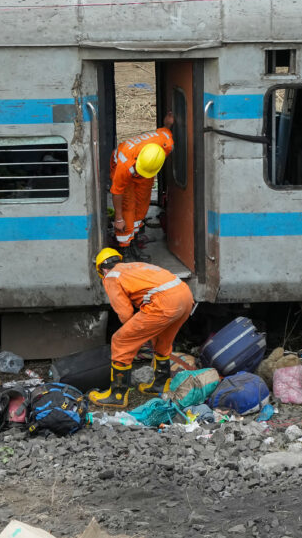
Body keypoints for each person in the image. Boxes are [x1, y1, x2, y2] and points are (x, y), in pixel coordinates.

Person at [89, 248, 194, 408]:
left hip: (164, 303)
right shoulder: (133, 266)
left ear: (102, 269)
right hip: (185, 296)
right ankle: (160, 385)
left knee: (121, 341)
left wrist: (135, 337)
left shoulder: (111, 276)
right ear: (118, 260)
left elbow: (125, 314)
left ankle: (117, 395)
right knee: (161, 341)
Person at [109, 112, 175, 261]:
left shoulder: (165, 144)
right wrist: (118, 219)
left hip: (145, 172)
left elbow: (164, 130)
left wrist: (168, 124)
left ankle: (134, 242)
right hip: (125, 172)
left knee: (142, 205)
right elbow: (116, 192)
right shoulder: (124, 162)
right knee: (128, 208)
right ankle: (124, 249)